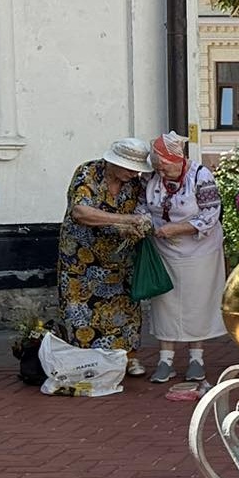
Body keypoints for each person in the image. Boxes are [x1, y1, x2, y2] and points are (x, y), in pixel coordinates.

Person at [58, 139, 154, 373]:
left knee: (125, 309)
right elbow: (80, 212)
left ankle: (127, 358)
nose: (134, 173)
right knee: (80, 310)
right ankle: (85, 363)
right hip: (81, 258)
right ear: (113, 162)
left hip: (119, 260)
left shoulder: (135, 184)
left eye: (137, 169)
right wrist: (125, 220)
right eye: (129, 168)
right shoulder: (88, 173)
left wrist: (138, 226)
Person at [140, 132, 228, 384]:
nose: (161, 172)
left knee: (195, 301)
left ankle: (196, 359)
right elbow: (142, 206)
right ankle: (165, 360)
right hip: (164, 248)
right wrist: (145, 224)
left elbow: (211, 214)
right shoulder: (152, 178)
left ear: (178, 159)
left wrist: (176, 228)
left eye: (165, 166)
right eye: (157, 167)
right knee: (164, 301)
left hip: (199, 249)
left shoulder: (201, 176)